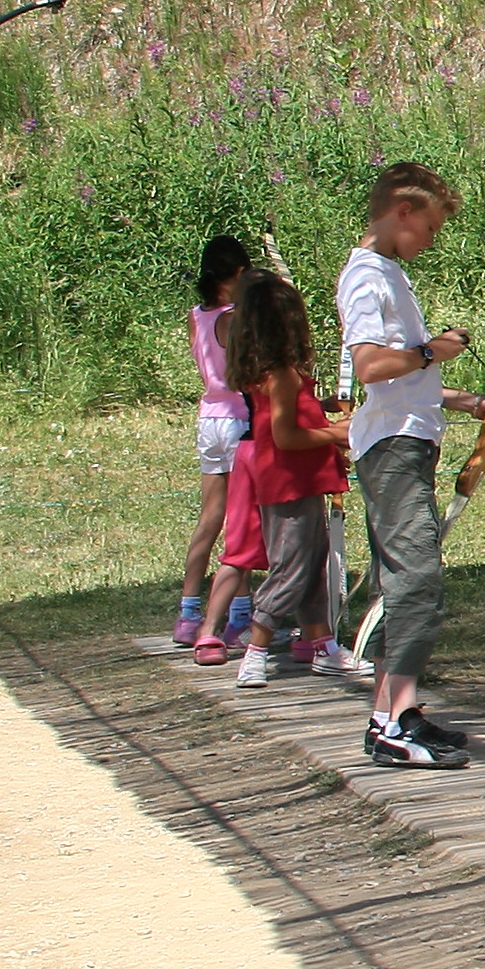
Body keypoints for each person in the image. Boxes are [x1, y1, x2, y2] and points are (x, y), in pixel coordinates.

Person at [338, 163, 485, 772]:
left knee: (403, 583)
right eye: (428, 227)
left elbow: (402, 382)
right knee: (417, 583)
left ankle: (396, 712)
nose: (430, 240)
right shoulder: (365, 278)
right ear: (402, 212)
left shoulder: (387, 274)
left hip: (405, 439)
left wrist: (462, 398)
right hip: (392, 449)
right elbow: (371, 368)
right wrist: (434, 349)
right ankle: (390, 723)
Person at [222, 269, 354, 692]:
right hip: (287, 480)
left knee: (313, 565)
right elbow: (285, 436)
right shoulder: (280, 373)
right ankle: (255, 650)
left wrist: (322, 407)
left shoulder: (280, 373)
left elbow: (291, 414)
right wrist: (337, 432)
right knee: (292, 568)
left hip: (300, 479)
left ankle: (324, 646)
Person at [175, 234, 253, 649]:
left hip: (209, 419)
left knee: (210, 518)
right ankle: (239, 616)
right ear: (238, 274)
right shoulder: (235, 317)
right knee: (240, 523)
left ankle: (189, 611)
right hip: (239, 419)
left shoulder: (198, 315)